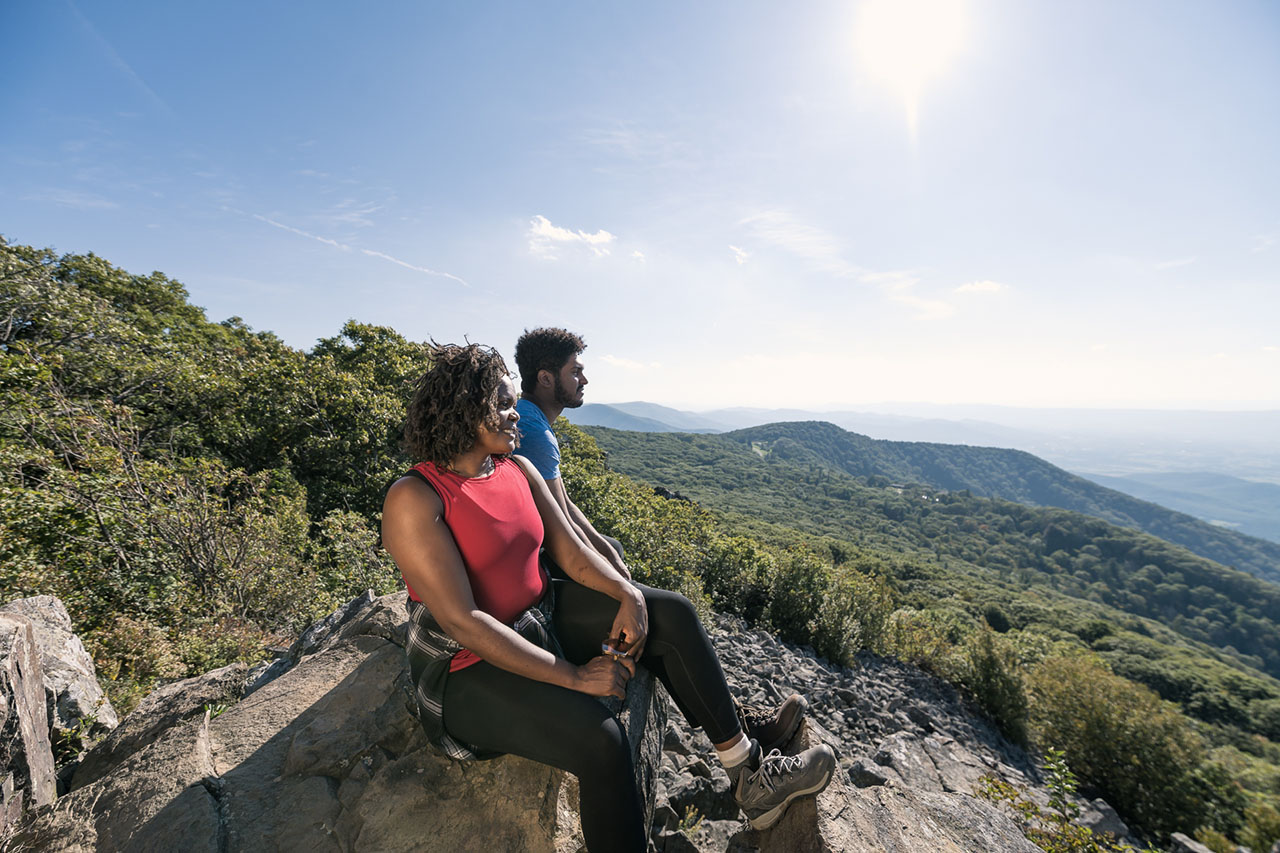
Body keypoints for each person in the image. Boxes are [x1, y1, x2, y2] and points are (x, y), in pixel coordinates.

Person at [382, 343, 836, 852]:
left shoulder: (513, 468)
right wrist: (575, 676)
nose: (516, 415)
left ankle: (748, 774)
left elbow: (572, 553)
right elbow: (464, 621)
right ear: (466, 410)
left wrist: (627, 593)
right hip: (465, 667)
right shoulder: (416, 497)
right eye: (504, 405)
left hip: (538, 617)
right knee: (602, 741)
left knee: (672, 614)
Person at [513, 326, 808, 742]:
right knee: (674, 613)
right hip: (540, 598)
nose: (584, 379)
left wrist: (610, 559)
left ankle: (728, 712)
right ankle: (742, 741)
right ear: (545, 378)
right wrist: (622, 590)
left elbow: (565, 509)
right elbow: (563, 534)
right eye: (575, 371)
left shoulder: (528, 420)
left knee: (615, 552)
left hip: (539, 575)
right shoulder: (535, 432)